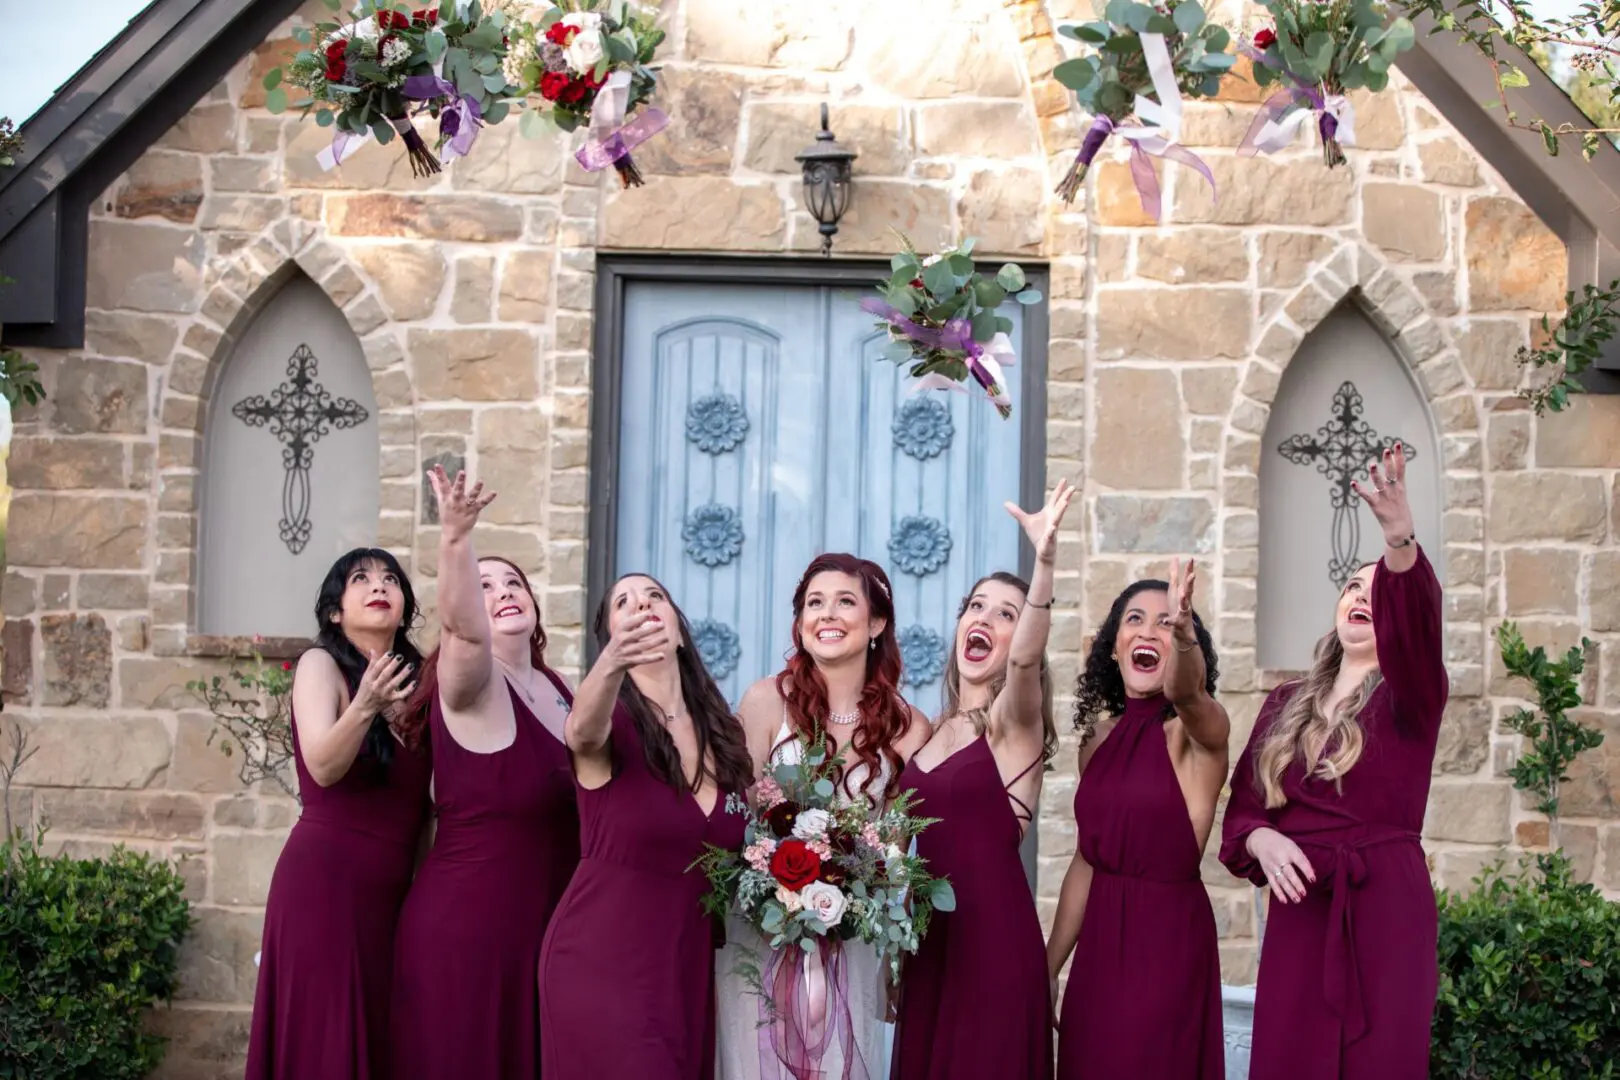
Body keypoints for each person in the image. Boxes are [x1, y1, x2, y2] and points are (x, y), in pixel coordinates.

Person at [1220, 444, 1446, 1080]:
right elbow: (1240, 815)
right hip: (1302, 914)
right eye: (1353, 585)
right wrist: (1262, 838)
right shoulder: (1285, 702)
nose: (1363, 594)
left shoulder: (1413, 693)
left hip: (1385, 910)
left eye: (1379, 590)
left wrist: (1398, 539)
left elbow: (1420, 622)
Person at [390, 468, 580, 1080]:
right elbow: (463, 631)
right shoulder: (469, 682)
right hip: (468, 935)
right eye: (484, 583)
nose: (502, 591)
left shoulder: (558, 690)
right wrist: (454, 540)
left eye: (513, 581)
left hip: (541, 929)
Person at [718, 553, 932, 1080]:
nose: (826, 614)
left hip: (851, 944)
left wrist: (892, 959)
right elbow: (732, 820)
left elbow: (897, 855)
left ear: (877, 622)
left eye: (844, 601)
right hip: (759, 936)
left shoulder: (910, 729)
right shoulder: (767, 701)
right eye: (814, 603)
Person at [890, 481, 1073, 1080]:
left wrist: (1043, 563)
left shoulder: (1012, 723)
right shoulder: (928, 729)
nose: (985, 619)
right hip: (930, 947)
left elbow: (1023, 660)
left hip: (992, 948)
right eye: (976, 606)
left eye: (1006, 614)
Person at [539, 573, 753, 1079]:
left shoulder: (723, 733)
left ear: (678, 630)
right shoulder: (610, 721)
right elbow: (580, 733)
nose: (642, 606)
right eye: (623, 603)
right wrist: (612, 661)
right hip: (603, 961)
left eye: (655, 596)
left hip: (686, 969)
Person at [245, 548, 428, 1080]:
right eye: (362, 578)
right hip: (323, 888)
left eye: (391, 578)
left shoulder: (423, 686)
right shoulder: (320, 665)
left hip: (394, 896)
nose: (380, 585)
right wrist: (366, 704)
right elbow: (322, 765)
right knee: (323, 1043)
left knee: (380, 1040)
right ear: (335, 611)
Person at [1047, 559, 1229, 1079]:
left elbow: (1190, 696)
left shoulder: (1197, 735)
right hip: (1100, 946)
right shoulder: (1097, 742)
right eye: (1135, 619)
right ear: (1113, 645)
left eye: (1165, 622)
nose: (1150, 630)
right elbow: (1087, 860)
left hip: (1167, 944)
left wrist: (1187, 630)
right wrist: (1049, 967)